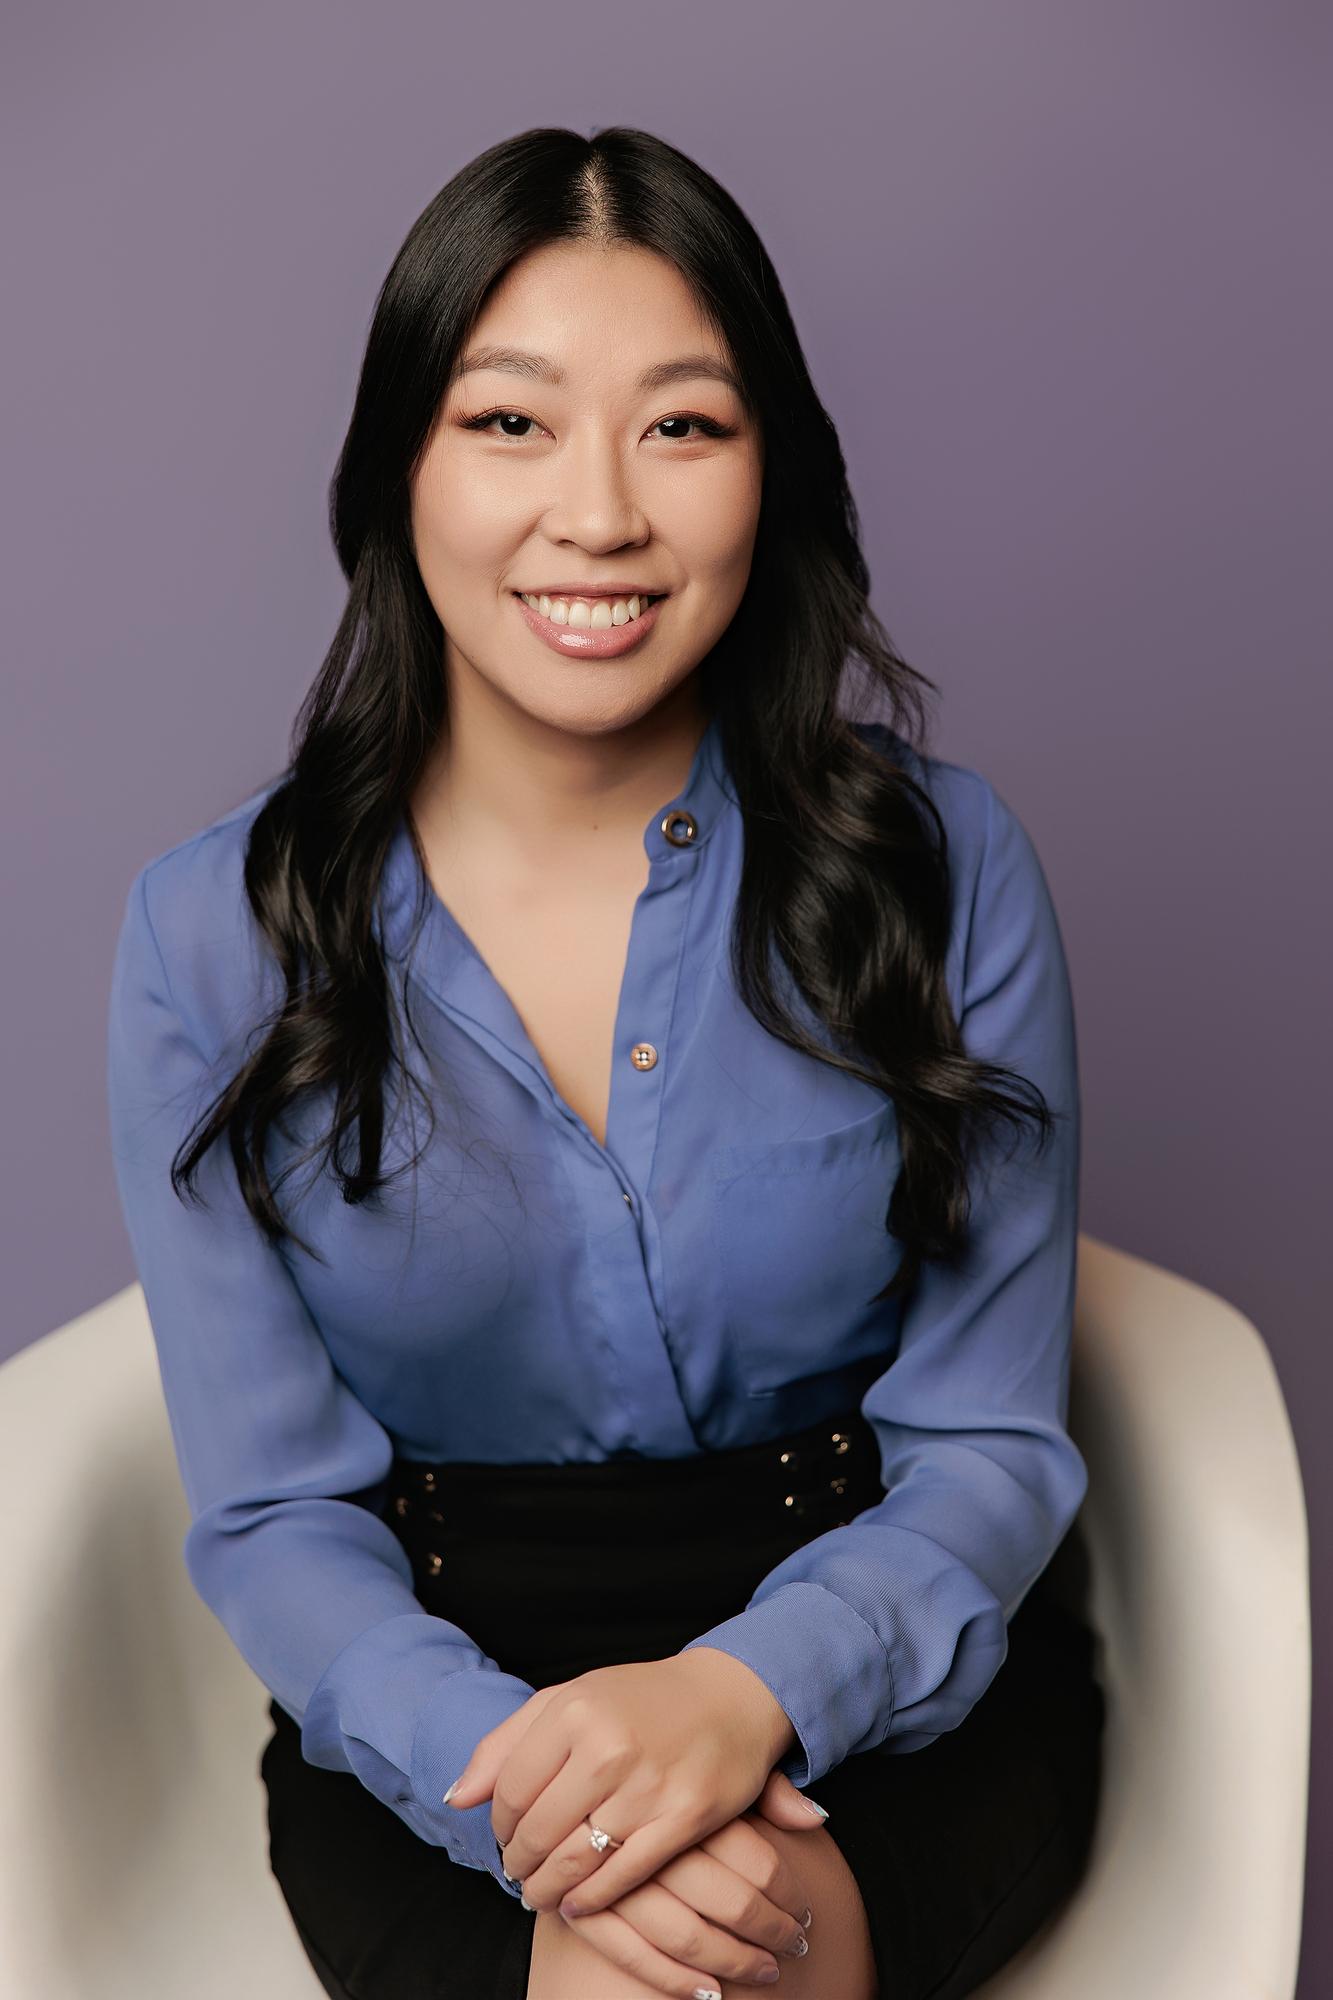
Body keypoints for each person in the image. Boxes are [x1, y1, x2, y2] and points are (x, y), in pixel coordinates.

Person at [107, 123, 1105, 2000]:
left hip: (881, 1658)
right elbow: (272, 1515)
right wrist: (534, 1793)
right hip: (441, 1712)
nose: (598, 514)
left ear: (770, 476)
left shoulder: (945, 867)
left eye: (681, 425)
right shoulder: (207, 936)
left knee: (716, 1969)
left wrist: (749, 1695)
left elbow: (985, 1443)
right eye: (508, 424)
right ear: (397, 465)